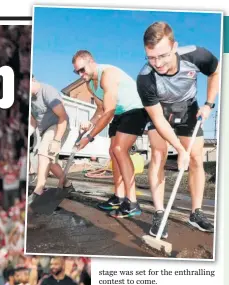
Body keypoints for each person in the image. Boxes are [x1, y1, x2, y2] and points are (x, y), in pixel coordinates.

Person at [137, 21, 219, 236]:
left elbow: (216, 72)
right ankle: (159, 212)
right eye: (151, 57)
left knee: (195, 158)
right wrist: (178, 149)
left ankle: (196, 213)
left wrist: (209, 104)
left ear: (174, 47)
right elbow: (157, 118)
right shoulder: (145, 78)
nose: (158, 63)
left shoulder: (196, 55)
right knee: (158, 154)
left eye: (163, 55)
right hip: (161, 110)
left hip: (188, 107)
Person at [72, 50, 149, 217]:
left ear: (91, 62)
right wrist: (90, 122)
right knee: (112, 152)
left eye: (82, 69)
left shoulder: (108, 74)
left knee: (120, 149)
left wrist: (89, 137)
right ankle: (119, 197)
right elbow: (100, 110)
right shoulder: (89, 85)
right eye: (77, 71)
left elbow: (108, 112)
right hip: (120, 113)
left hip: (136, 109)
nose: (80, 74)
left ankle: (132, 202)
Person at [28, 76, 71, 205]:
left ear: (33, 79)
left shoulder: (48, 91)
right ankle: (67, 184)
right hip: (45, 130)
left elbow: (63, 117)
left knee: (43, 153)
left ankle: (39, 189)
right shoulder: (30, 99)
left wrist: (56, 140)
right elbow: (33, 121)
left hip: (59, 126)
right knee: (50, 163)